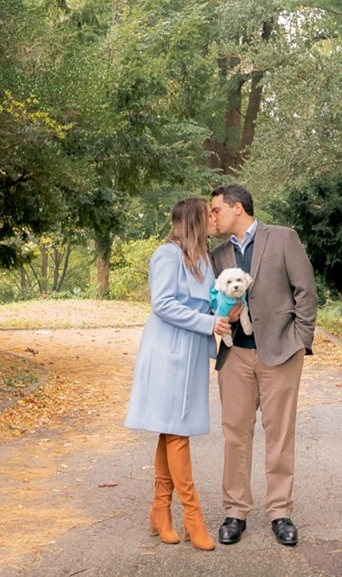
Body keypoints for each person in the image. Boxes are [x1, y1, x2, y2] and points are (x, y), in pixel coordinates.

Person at [208, 183, 317, 548]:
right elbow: (212, 300)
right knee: (235, 433)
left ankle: (280, 512)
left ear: (237, 208)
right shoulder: (217, 253)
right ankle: (235, 511)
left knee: (280, 433)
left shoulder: (283, 238)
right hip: (235, 354)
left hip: (281, 352)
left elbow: (305, 290)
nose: (213, 217)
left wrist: (301, 341)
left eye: (217, 210)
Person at [122, 196, 220, 551]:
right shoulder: (167, 254)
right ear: (194, 220)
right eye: (208, 215)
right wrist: (208, 322)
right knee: (178, 431)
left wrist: (226, 311)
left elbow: (210, 298)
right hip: (167, 349)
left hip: (192, 349)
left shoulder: (203, 257)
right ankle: (193, 517)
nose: (214, 219)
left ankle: (159, 510)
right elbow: (161, 303)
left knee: (172, 429)